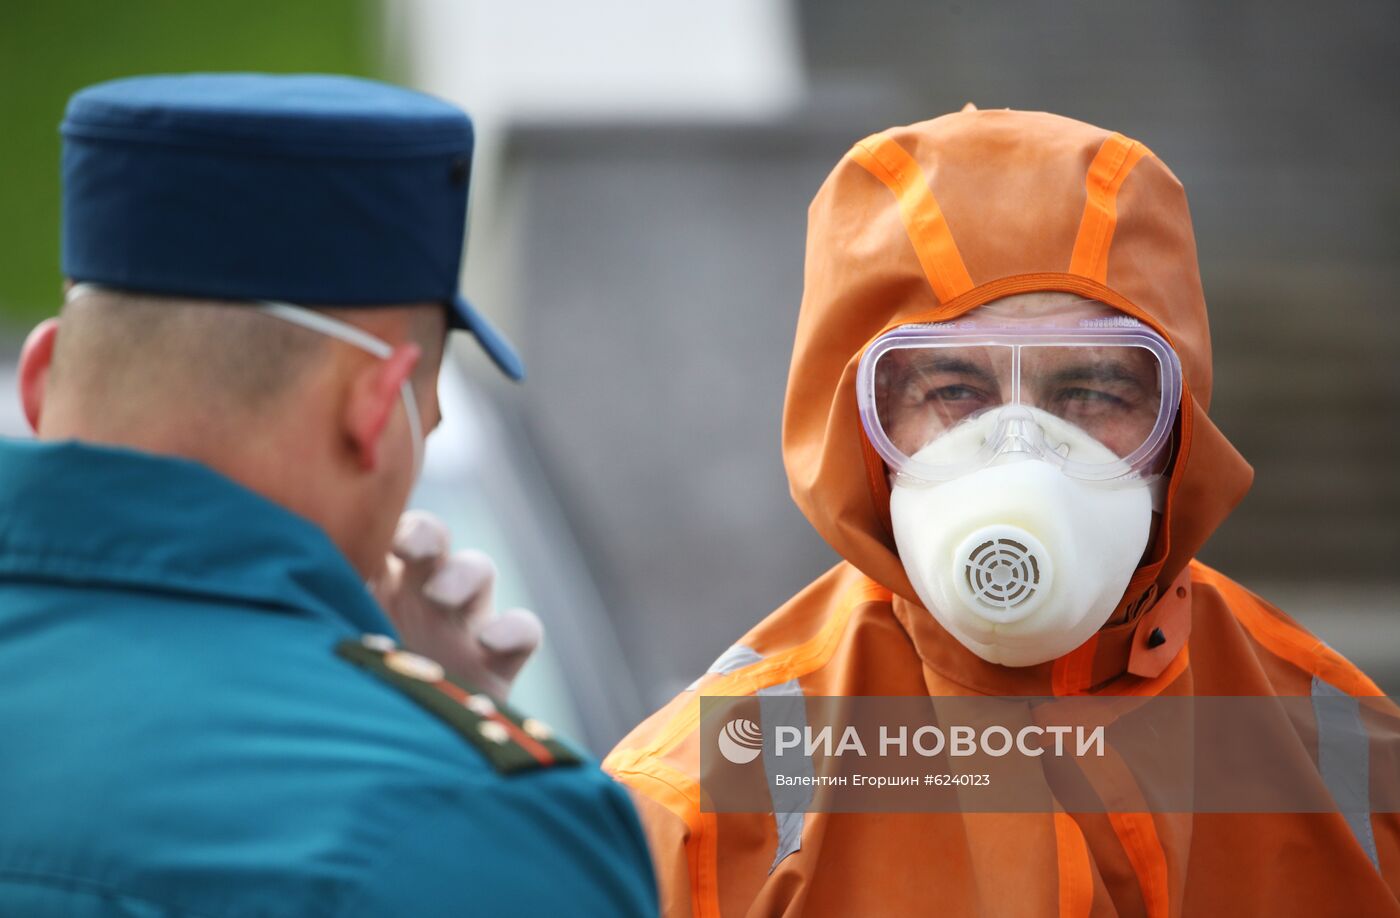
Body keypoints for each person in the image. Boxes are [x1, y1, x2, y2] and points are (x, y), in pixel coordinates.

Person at [605, 108, 1400, 915]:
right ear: (862, 433)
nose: (1022, 454)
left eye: (1092, 391)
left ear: (1177, 429)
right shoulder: (699, 809)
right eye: (953, 392)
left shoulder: (1344, 759)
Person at [0, 73, 656, 916]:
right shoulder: (476, 825)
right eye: (429, 411)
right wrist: (430, 726)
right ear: (376, 406)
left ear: (42, 376)